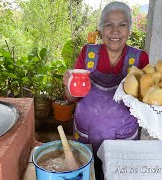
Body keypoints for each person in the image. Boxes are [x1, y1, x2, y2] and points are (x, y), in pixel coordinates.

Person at [63, 1, 149, 179]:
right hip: (85, 136)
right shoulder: (88, 53)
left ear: (129, 29)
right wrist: (68, 85)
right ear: (101, 29)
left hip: (124, 139)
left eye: (122, 25)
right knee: (86, 175)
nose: (115, 31)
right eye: (109, 24)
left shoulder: (140, 59)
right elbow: (71, 98)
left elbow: (147, 103)